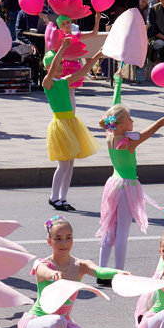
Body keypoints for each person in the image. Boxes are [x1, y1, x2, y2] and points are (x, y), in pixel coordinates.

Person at [95, 73, 164, 271]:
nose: (133, 121)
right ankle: (119, 271)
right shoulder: (130, 141)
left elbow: (115, 105)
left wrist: (118, 83)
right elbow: (159, 124)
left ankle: (102, 271)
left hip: (113, 183)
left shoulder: (110, 135)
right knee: (122, 232)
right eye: (130, 119)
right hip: (126, 186)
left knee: (109, 229)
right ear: (120, 124)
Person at [15, 217, 126, 328]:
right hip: (36, 325)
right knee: (57, 320)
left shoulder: (80, 265)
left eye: (68, 238)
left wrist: (118, 272)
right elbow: (43, 271)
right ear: (49, 241)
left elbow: (99, 271)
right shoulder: (43, 264)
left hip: (62, 324)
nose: (64, 243)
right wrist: (52, 274)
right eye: (58, 239)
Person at [43, 38, 101, 211]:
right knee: (63, 164)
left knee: (70, 164)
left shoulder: (64, 81)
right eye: (56, 64)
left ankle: (63, 198)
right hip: (60, 125)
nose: (60, 67)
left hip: (71, 123)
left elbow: (82, 71)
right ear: (48, 67)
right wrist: (62, 48)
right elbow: (52, 69)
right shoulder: (48, 83)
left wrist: (97, 55)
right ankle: (54, 197)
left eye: (61, 64)